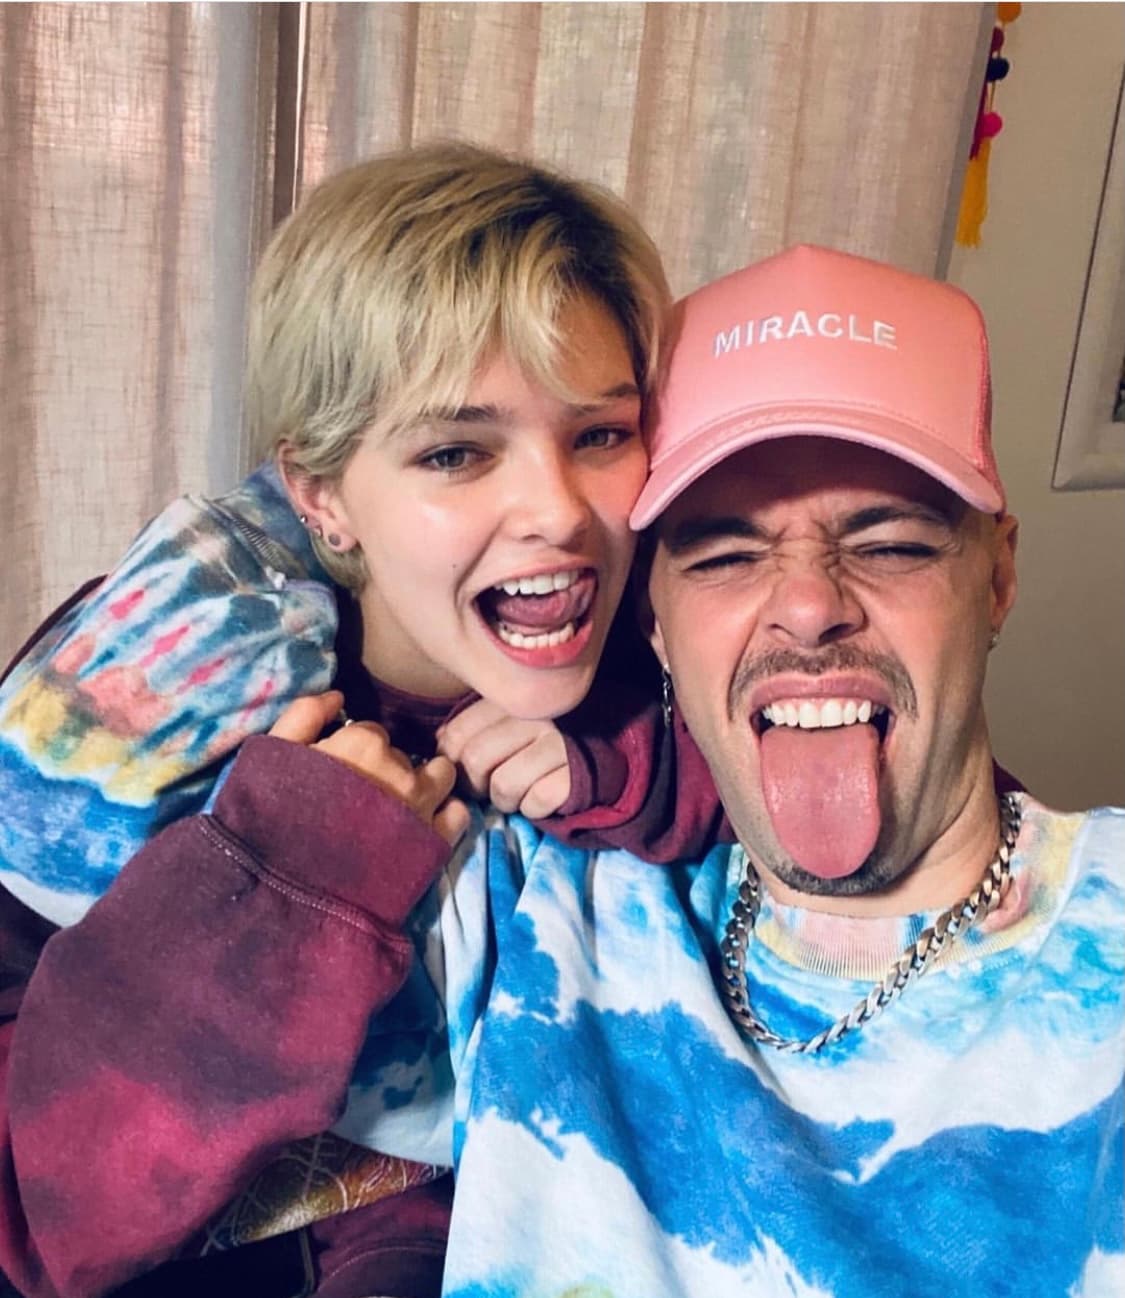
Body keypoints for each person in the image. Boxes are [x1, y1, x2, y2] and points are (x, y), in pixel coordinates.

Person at [257, 245, 1120, 1295]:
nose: (808, 605)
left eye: (890, 544)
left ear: (998, 578)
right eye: (724, 555)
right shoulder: (522, 905)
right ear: (653, 620)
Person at [0, 142, 671, 1297]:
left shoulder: (683, 653)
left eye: (600, 435)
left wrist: (633, 772)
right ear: (321, 494)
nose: (558, 510)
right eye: (455, 451)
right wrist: (287, 879)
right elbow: (33, 1204)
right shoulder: (147, 682)